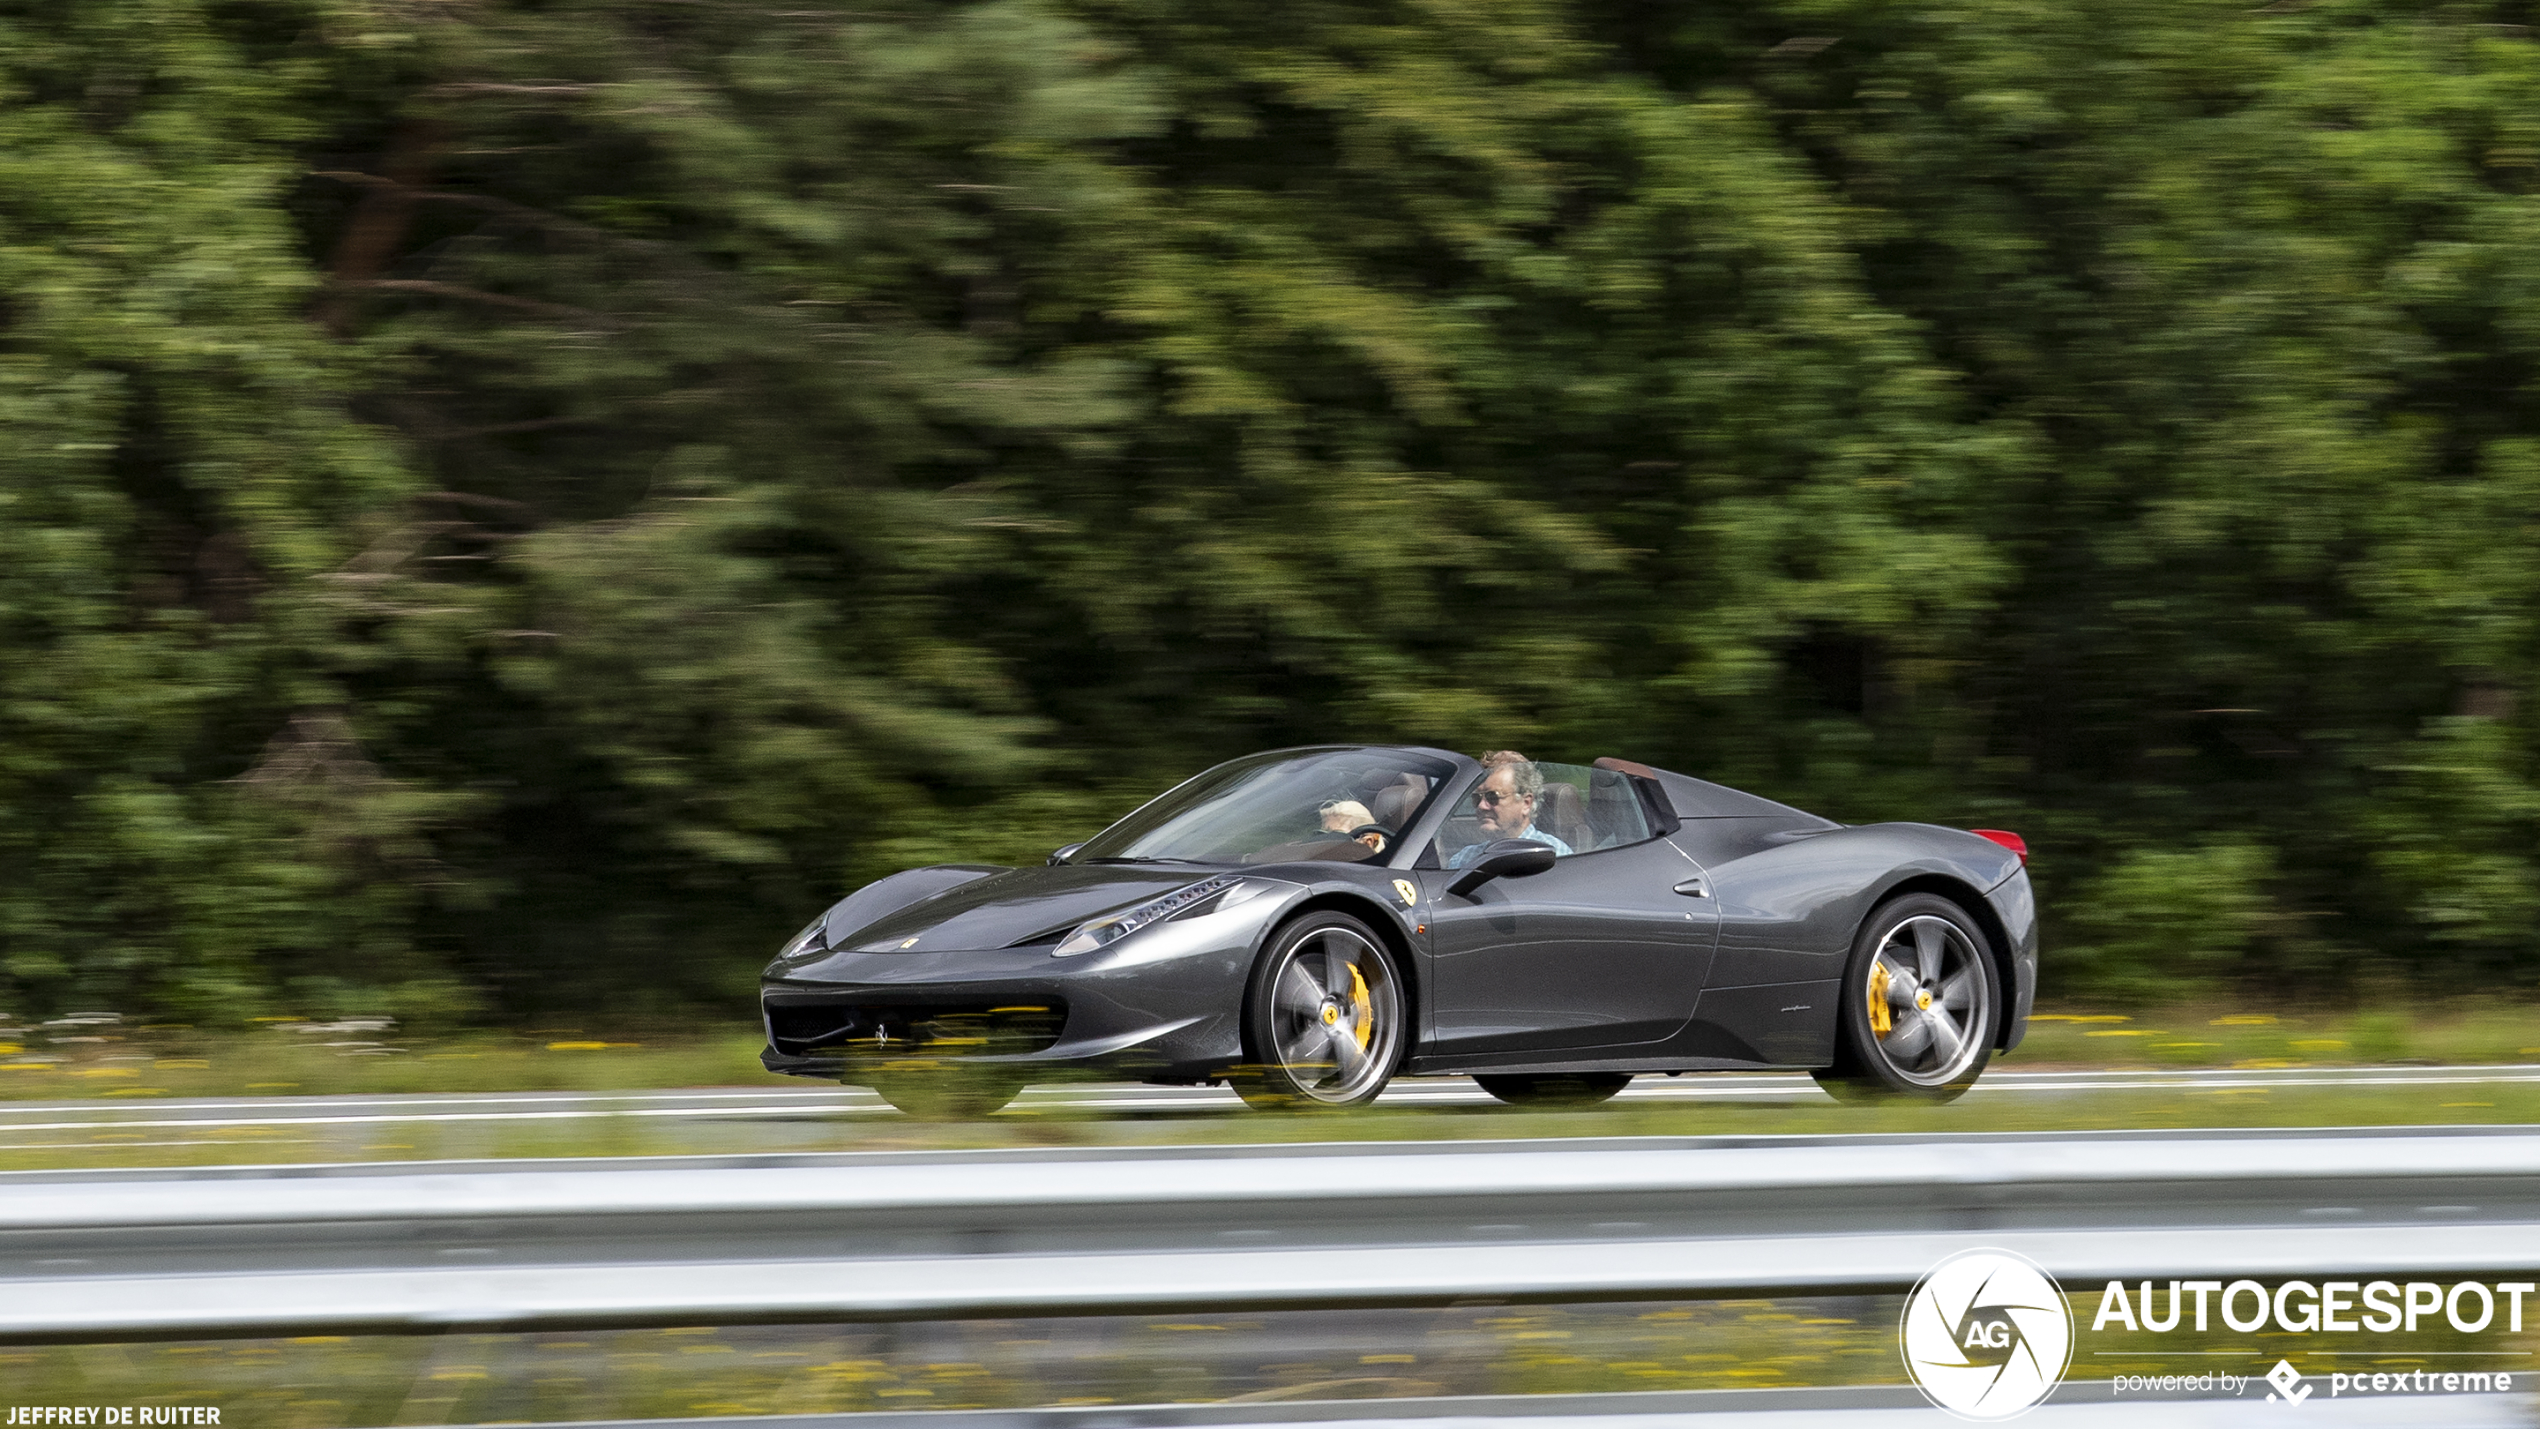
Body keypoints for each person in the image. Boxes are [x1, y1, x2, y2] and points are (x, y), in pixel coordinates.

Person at [1447, 757, 1572, 868]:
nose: (1481, 806)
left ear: (1526, 803)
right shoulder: (1463, 860)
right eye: (1476, 798)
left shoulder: (1556, 856)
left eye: (1492, 797)